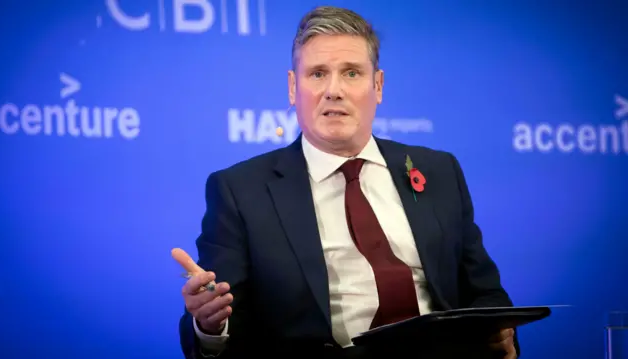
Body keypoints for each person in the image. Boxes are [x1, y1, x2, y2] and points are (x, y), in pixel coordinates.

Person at [178, 5, 518, 359]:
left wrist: (500, 335)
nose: (333, 90)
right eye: (317, 74)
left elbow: (486, 294)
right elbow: (224, 323)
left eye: (352, 73)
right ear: (293, 88)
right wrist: (210, 325)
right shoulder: (239, 191)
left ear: (378, 85)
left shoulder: (439, 170)